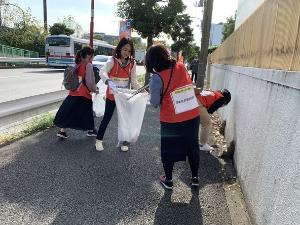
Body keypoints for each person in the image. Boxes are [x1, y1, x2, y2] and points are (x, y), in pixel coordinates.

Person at [146, 44, 201, 190]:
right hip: (191, 113)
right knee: (192, 145)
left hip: (171, 119)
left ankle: (168, 179)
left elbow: (155, 103)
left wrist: (152, 91)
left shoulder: (156, 78)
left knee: (168, 149)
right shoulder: (181, 67)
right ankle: (195, 178)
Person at [95, 37, 141, 152]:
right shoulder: (112, 61)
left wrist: (142, 90)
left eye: (129, 51)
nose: (126, 53)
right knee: (107, 118)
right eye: (124, 49)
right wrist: (109, 81)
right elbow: (102, 71)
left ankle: (123, 142)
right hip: (112, 95)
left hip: (124, 96)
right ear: (119, 48)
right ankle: (98, 140)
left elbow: (134, 81)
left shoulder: (132, 63)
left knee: (124, 119)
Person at [54, 46, 98, 139]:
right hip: (84, 94)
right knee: (88, 113)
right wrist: (95, 90)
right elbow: (90, 82)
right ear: (89, 55)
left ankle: (62, 131)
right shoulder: (88, 65)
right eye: (93, 56)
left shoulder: (77, 64)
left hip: (73, 92)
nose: (93, 58)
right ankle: (91, 130)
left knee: (69, 112)